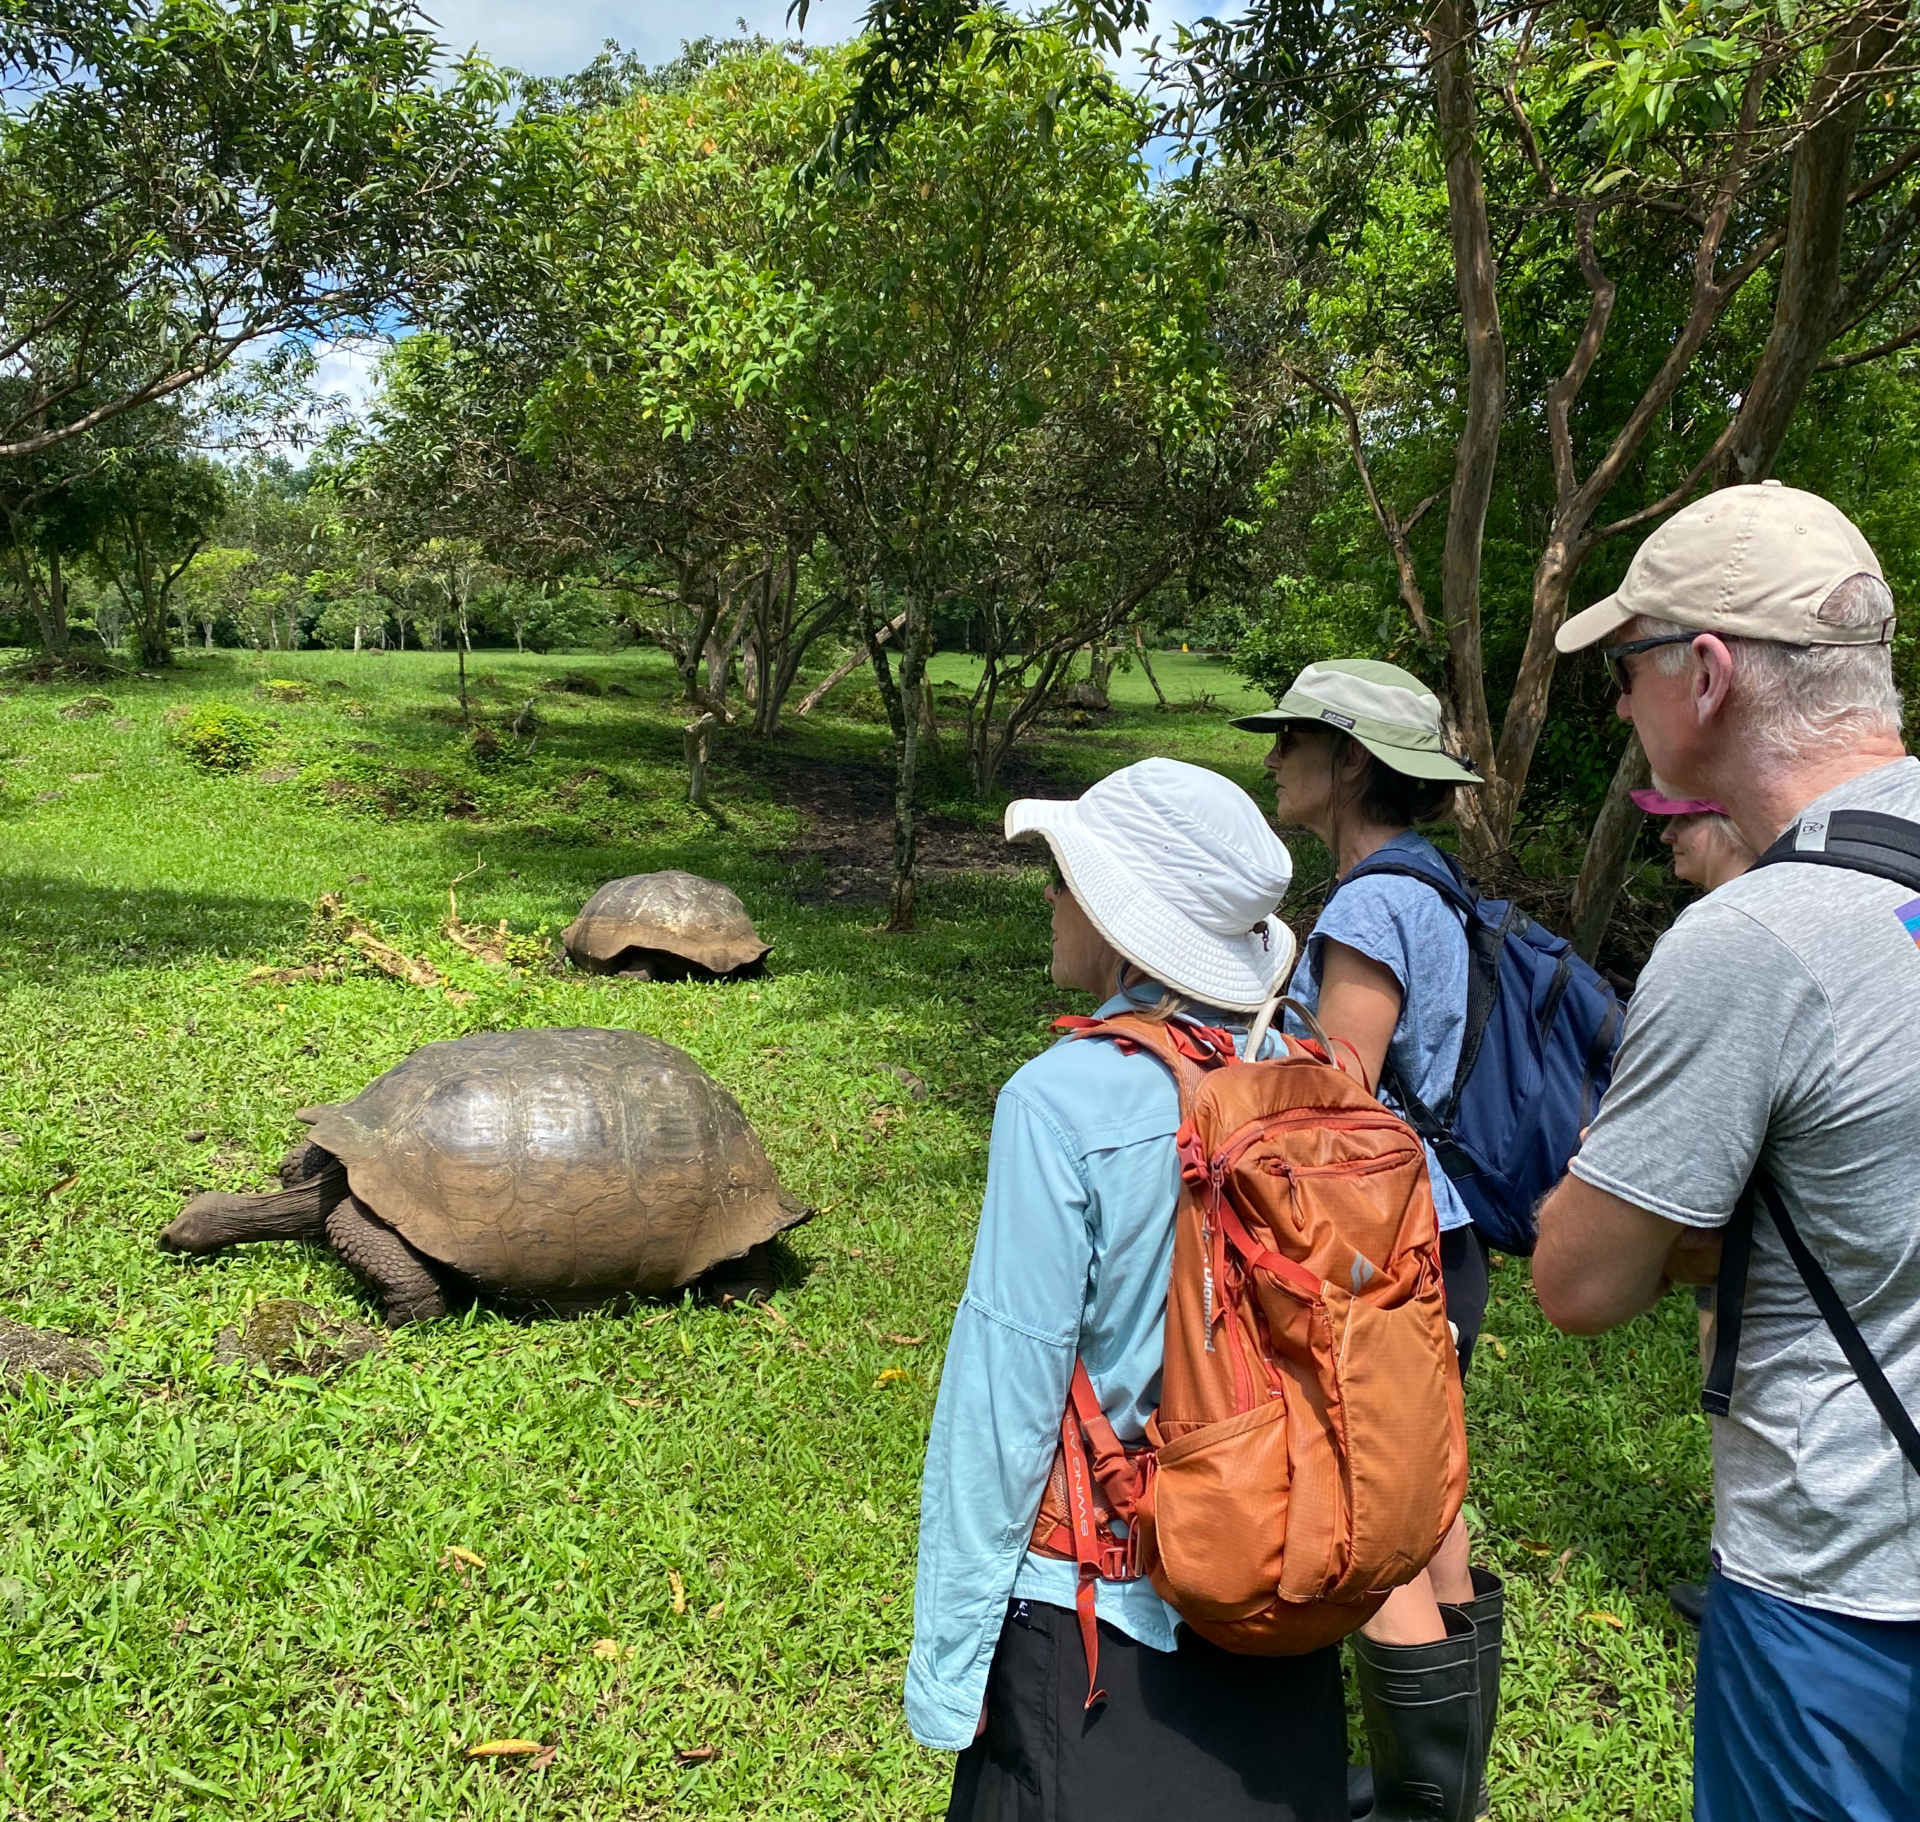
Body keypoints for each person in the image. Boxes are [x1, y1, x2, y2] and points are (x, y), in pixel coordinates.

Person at [1533, 480, 1919, 1822]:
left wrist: (1676, 1211)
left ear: (1705, 673)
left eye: (1629, 668)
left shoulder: (1757, 936)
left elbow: (1579, 1280)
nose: (1621, 706)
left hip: (1842, 1596)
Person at [907, 756, 1349, 1822]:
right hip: (1283, 1587)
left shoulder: (1061, 1100)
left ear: (1117, 913)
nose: (1051, 896)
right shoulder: (1311, 1072)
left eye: (1064, 874)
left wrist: (948, 1668)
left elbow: (1005, 1395)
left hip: (1105, 1624)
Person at [1232, 659, 1499, 1820]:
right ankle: (1444, 1782)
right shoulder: (1428, 883)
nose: (1275, 756)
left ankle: (1417, 1804)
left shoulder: (1368, 904)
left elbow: (1333, 1107)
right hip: (1443, 1231)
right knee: (1426, 1498)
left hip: (1375, 1246)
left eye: (1295, 738)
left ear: (1351, 763)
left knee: (1367, 1510)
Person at [1625, 787, 1759, 1631]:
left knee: (1737, 1384)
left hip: (1737, 1229)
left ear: (1730, 823)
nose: (1668, 831)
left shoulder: (1728, 938)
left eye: (1683, 817)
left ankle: (1743, 1584)